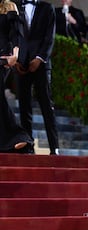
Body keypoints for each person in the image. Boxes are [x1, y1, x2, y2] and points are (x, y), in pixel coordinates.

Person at [15, 0, 59, 155]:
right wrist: (17, 59)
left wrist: (40, 58)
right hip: (21, 64)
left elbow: (50, 36)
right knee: (24, 107)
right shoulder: (14, 7)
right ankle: (28, 146)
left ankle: (54, 148)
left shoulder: (47, 8)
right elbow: (13, 35)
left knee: (47, 106)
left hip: (41, 64)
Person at [0, 0, 33, 153]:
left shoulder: (9, 6)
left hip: (4, 58)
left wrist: (15, 53)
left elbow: (16, 31)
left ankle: (19, 136)